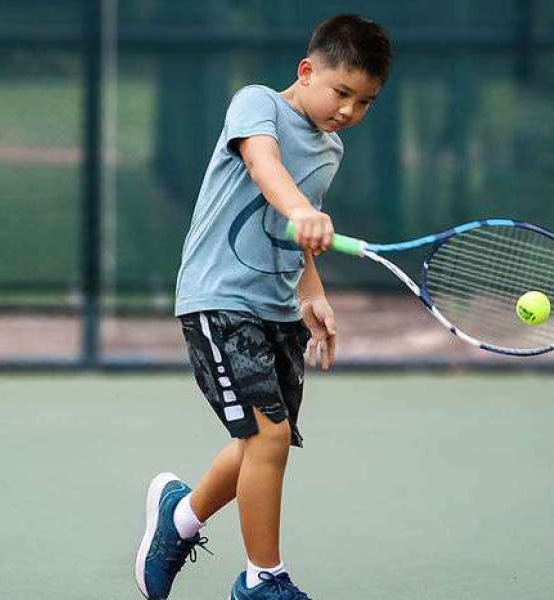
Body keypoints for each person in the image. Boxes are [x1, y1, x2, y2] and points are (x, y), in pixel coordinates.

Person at [135, 14, 392, 600]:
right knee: (268, 439)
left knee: (260, 442)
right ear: (307, 71)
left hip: (278, 311)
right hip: (218, 300)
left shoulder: (332, 149)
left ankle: (178, 520)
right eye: (342, 92)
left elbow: (295, 234)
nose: (350, 110)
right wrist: (302, 207)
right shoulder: (258, 105)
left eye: (366, 101)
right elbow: (263, 165)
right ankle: (262, 581)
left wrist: (313, 293)